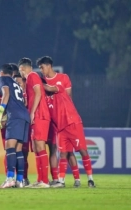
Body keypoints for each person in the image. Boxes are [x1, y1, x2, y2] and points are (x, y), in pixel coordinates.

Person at [41, 80, 96, 188]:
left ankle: (90, 180)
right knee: (63, 154)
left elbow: (50, 88)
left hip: (73, 123)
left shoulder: (58, 88)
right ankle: (61, 181)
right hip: (61, 128)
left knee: (82, 151)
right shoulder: (45, 100)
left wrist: (36, 83)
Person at [37, 56, 81, 187]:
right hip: (50, 120)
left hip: (64, 120)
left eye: (42, 67)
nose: (41, 70)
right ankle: (56, 178)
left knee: (67, 151)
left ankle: (77, 179)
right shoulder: (42, 80)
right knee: (52, 149)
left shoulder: (63, 78)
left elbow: (69, 99)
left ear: (49, 65)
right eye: (39, 68)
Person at [0, 64, 31, 188]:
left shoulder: (3, 79)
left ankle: (10, 178)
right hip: (25, 116)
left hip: (15, 116)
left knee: (9, 146)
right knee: (18, 149)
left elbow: (5, 94)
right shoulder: (17, 84)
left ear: (1, 73)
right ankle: (19, 180)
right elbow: (24, 101)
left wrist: (0, 114)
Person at [18, 58, 51, 188]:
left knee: (40, 146)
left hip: (40, 115)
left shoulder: (32, 75)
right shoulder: (29, 81)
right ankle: (40, 179)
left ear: (22, 69)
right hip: (36, 116)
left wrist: (32, 112)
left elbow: (38, 94)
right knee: (37, 148)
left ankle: (45, 181)